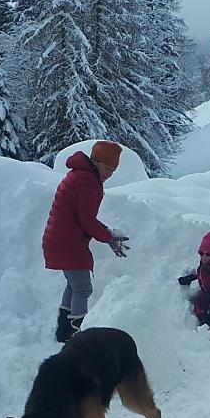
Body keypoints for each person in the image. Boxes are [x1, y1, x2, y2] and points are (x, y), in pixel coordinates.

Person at [42, 141, 130, 343]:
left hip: (62, 238)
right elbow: (87, 220)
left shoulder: (81, 175)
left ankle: (64, 331)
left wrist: (107, 234)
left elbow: (84, 217)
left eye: (113, 170)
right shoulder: (86, 181)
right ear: (95, 161)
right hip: (67, 241)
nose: (109, 174)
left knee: (73, 286)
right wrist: (109, 237)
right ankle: (76, 336)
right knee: (82, 288)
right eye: (107, 168)